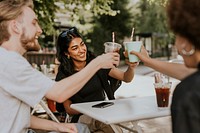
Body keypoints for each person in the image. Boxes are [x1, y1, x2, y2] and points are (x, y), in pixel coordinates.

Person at [0, 0, 120, 133]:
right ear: (15, 26)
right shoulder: (8, 62)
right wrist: (97, 63)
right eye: (34, 23)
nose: (40, 30)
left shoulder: (7, 60)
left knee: (82, 128)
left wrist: (58, 126)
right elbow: (59, 93)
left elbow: (20, 117)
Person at [132, 0, 200, 132]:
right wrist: (148, 61)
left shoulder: (188, 93)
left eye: (177, 36)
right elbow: (189, 73)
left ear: (186, 42)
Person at [55, 27, 139, 132]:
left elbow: (126, 78)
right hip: (81, 118)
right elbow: (69, 109)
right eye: (75, 48)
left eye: (82, 44)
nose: (81, 50)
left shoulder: (96, 62)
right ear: (66, 53)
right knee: (107, 123)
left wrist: (131, 67)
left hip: (103, 114)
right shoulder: (64, 74)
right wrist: (93, 109)